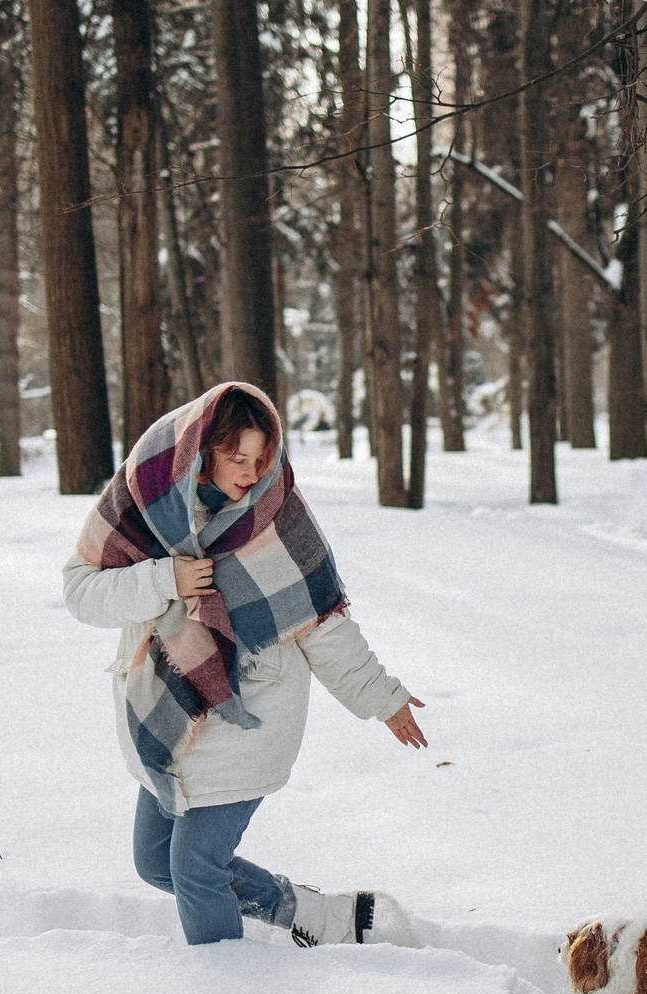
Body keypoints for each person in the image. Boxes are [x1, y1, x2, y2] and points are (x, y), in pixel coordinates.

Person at [63, 382, 426, 946]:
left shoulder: (277, 514)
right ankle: (312, 915)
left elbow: (324, 623)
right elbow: (82, 592)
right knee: (156, 863)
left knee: (195, 870)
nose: (253, 473)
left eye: (262, 459)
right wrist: (166, 579)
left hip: (249, 718)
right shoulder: (142, 497)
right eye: (238, 458)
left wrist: (382, 698)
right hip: (166, 717)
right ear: (199, 450)